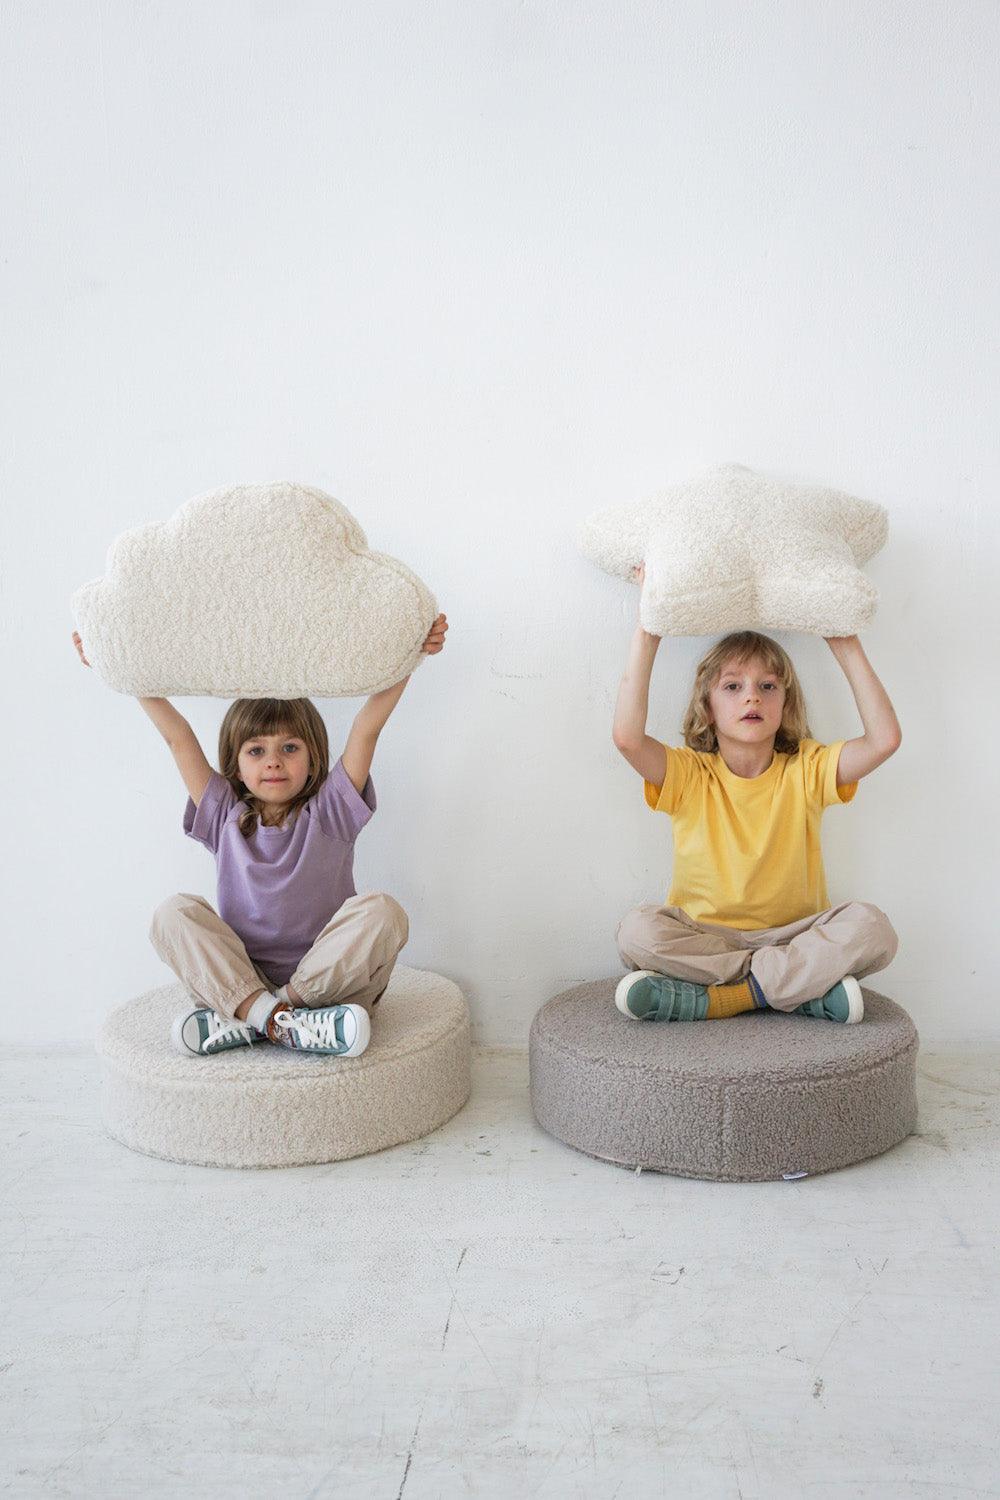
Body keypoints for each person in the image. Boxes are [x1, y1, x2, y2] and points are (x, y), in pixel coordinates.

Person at [71, 615, 447, 1056]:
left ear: (313, 757)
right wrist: (116, 663)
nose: (273, 762)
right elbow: (177, 737)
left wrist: (413, 654)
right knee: (173, 913)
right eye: (257, 750)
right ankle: (271, 1016)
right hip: (239, 980)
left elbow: (368, 726)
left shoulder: (331, 812)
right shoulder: (222, 816)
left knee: (384, 911)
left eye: (289, 748)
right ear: (235, 763)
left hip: (329, 987)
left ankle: (266, 1017)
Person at [611, 567, 900, 1025]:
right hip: (707, 938)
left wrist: (844, 641)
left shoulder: (807, 767)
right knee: (637, 932)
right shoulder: (689, 773)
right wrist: (648, 630)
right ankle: (797, 991)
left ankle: (722, 999)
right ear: (708, 706)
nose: (752, 698)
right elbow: (627, 738)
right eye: (733, 686)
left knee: (874, 928)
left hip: (794, 937)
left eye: (768, 687)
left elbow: (884, 740)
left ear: (785, 705)